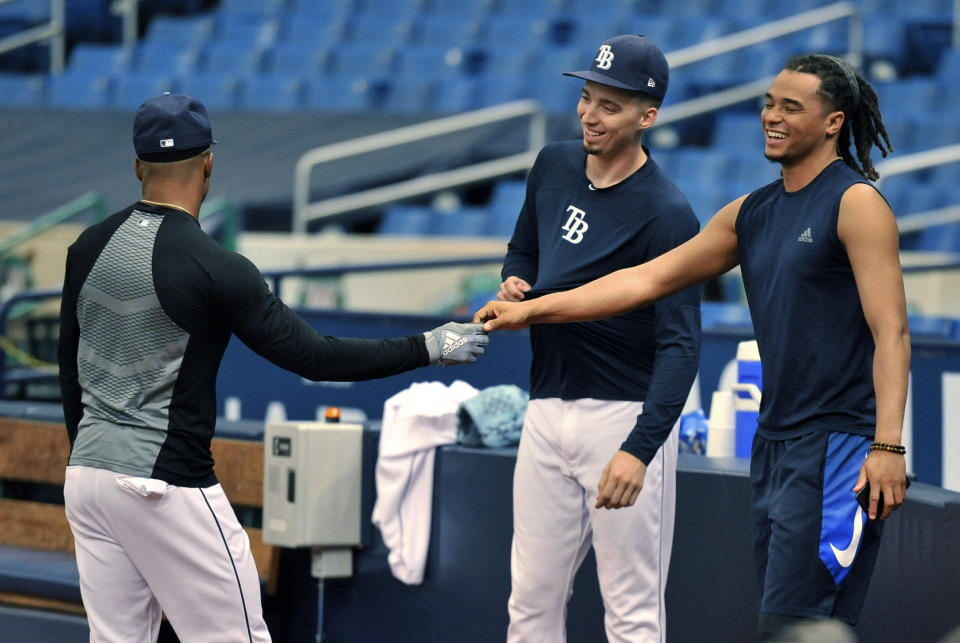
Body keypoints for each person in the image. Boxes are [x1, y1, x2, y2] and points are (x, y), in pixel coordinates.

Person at [475, 54, 910, 639]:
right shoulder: (749, 212)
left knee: (796, 625)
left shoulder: (856, 203)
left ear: (833, 123)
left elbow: (893, 332)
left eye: (791, 107)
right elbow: (642, 281)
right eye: (768, 103)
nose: (771, 117)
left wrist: (887, 444)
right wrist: (532, 309)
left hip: (837, 446)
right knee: (789, 623)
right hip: (776, 441)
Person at [57, 93, 489, 643]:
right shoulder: (218, 267)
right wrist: (429, 345)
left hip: (88, 480)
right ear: (209, 162)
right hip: (164, 485)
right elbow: (315, 356)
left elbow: (67, 370)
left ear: (138, 165)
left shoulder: (86, 246)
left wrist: (87, 457)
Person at [497, 35, 702, 642]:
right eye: (587, 98)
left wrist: (640, 448)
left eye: (610, 106)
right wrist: (517, 279)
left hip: (621, 415)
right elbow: (524, 246)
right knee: (529, 602)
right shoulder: (553, 163)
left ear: (648, 115)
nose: (589, 115)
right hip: (545, 406)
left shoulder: (668, 214)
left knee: (632, 613)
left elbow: (682, 346)